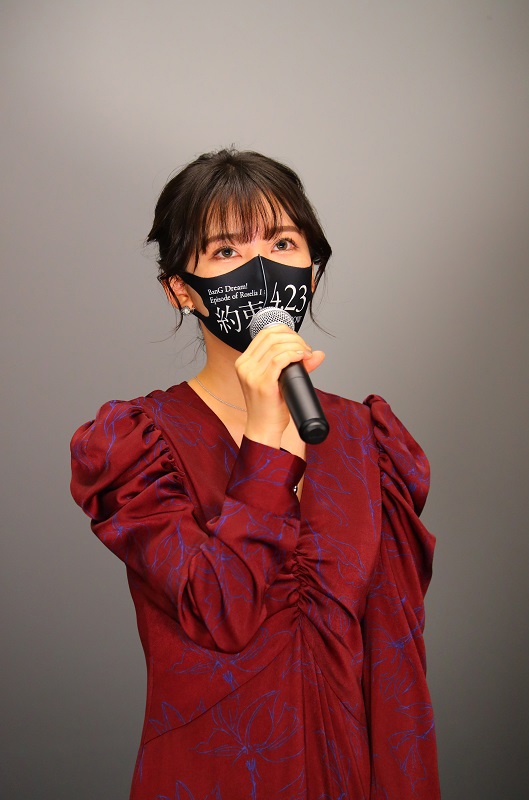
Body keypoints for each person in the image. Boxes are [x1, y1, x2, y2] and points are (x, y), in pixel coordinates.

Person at [70, 148, 440, 800]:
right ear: (179, 289)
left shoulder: (368, 439)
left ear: (312, 270)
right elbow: (222, 613)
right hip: (208, 777)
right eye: (225, 251)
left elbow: (397, 670)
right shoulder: (136, 446)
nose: (262, 270)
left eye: (282, 243)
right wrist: (267, 441)